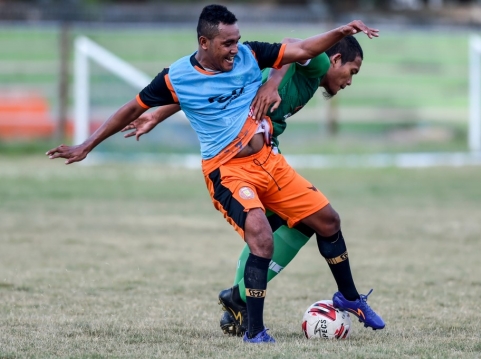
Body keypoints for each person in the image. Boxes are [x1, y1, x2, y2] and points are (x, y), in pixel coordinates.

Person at [46, 4, 382, 343]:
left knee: (318, 222)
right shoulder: (179, 75)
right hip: (229, 169)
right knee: (264, 235)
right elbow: (150, 101)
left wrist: (341, 31)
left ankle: (255, 298)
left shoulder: (248, 55)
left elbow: (281, 57)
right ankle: (250, 321)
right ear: (204, 42)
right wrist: (88, 144)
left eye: (237, 41)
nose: (235, 49)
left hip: (267, 158)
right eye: (228, 43)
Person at [121, 35, 375, 337]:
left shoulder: (309, 77)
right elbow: (215, 90)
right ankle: (241, 304)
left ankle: (239, 300)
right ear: (334, 60)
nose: (349, 82)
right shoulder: (296, 65)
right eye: (352, 72)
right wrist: (157, 114)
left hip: (266, 154)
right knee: (279, 230)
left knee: (298, 224)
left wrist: (158, 115)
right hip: (237, 161)